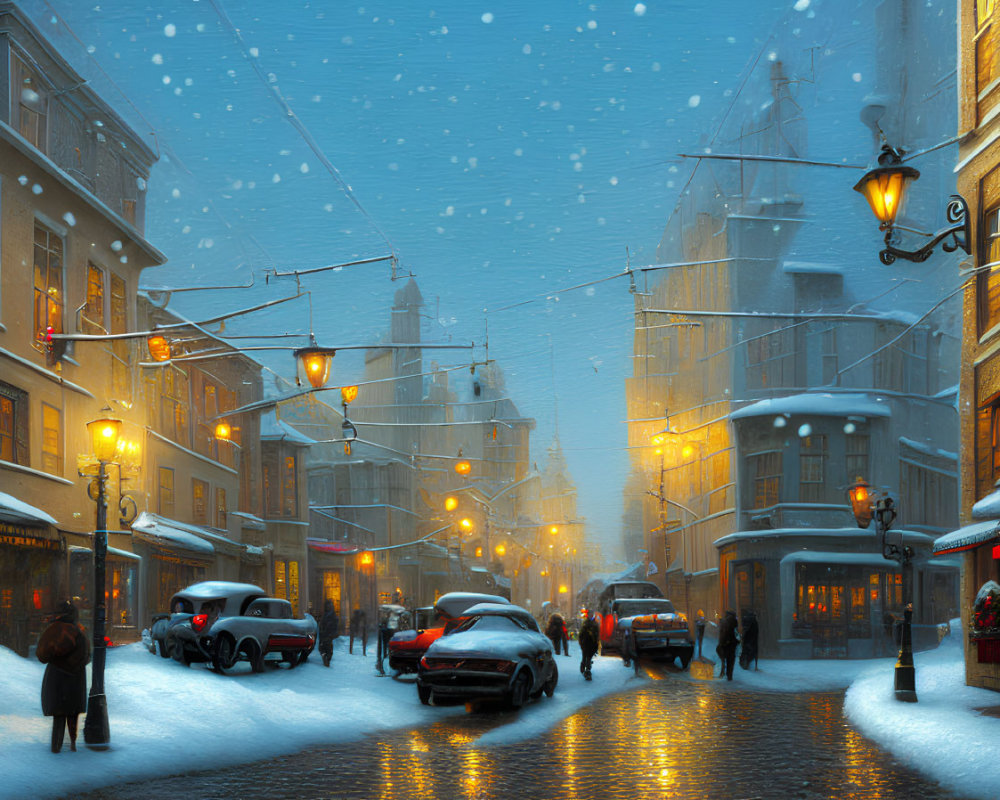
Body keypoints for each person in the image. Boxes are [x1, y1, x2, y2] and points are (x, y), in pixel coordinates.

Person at [36, 599, 90, 753]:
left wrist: (57, 660)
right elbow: (85, 656)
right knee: (72, 714)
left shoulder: (53, 631)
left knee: (58, 716)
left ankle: (56, 747)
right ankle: (72, 744)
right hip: (75, 678)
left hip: (56, 676)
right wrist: (72, 665)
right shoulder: (79, 631)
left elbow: (41, 655)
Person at [716, 609, 739, 681]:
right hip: (730, 644)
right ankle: (729, 677)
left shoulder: (724, 621)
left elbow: (722, 634)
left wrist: (721, 643)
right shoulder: (732, 621)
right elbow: (733, 633)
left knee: (724, 660)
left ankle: (723, 674)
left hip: (724, 644)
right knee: (730, 661)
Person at [578, 610, 600, 681]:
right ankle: (583, 666)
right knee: (584, 657)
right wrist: (581, 641)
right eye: (589, 614)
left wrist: (597, 642)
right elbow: (581, 633)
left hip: (592, 643)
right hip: (585, 643)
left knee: (589, 657)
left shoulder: (595, 623)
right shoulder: (585, 623)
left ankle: (587, 671)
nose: (591, 615)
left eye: (591, 614)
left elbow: (597, 634)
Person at [318, 599, 340, 668]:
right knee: (322, 647)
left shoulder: (332, 615)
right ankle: (325, 658)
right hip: (324, 634)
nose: (329, 607)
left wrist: (334, 632)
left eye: (330, 605)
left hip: (329, 633)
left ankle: (327, 658)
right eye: (328, 605)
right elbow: (322, 624)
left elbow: (335, 624)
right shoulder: (325, 614)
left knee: (328, 648)